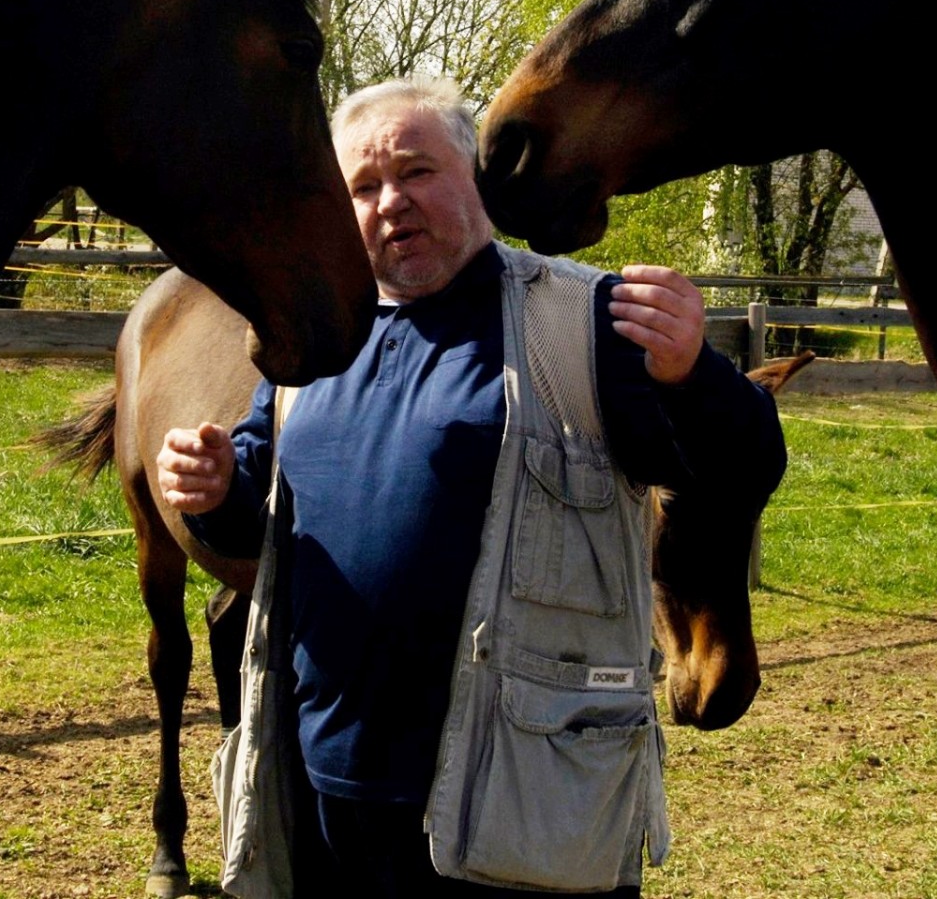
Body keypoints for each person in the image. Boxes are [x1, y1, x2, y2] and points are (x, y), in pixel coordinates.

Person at [157, 78, 785, 898]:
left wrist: (692, 375)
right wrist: (214, 492)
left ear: (474, 178)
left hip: (517, 805)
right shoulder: (318, 338)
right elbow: (259, 529)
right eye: (365, 186)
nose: (391, 202)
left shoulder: (580, 321)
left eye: (417, 172)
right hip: (323, 792)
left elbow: (744, 466)